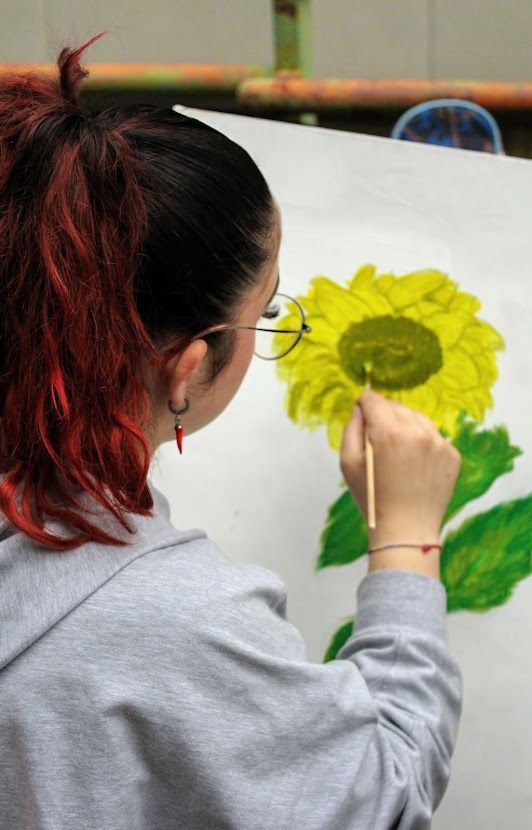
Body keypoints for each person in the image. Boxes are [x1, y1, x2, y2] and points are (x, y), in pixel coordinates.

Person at [0, 33, 463, 830]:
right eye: (268, 312)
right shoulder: (168, 621)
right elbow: (379, 797)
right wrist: (407, 544)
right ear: (186, 366)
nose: (272, 330)